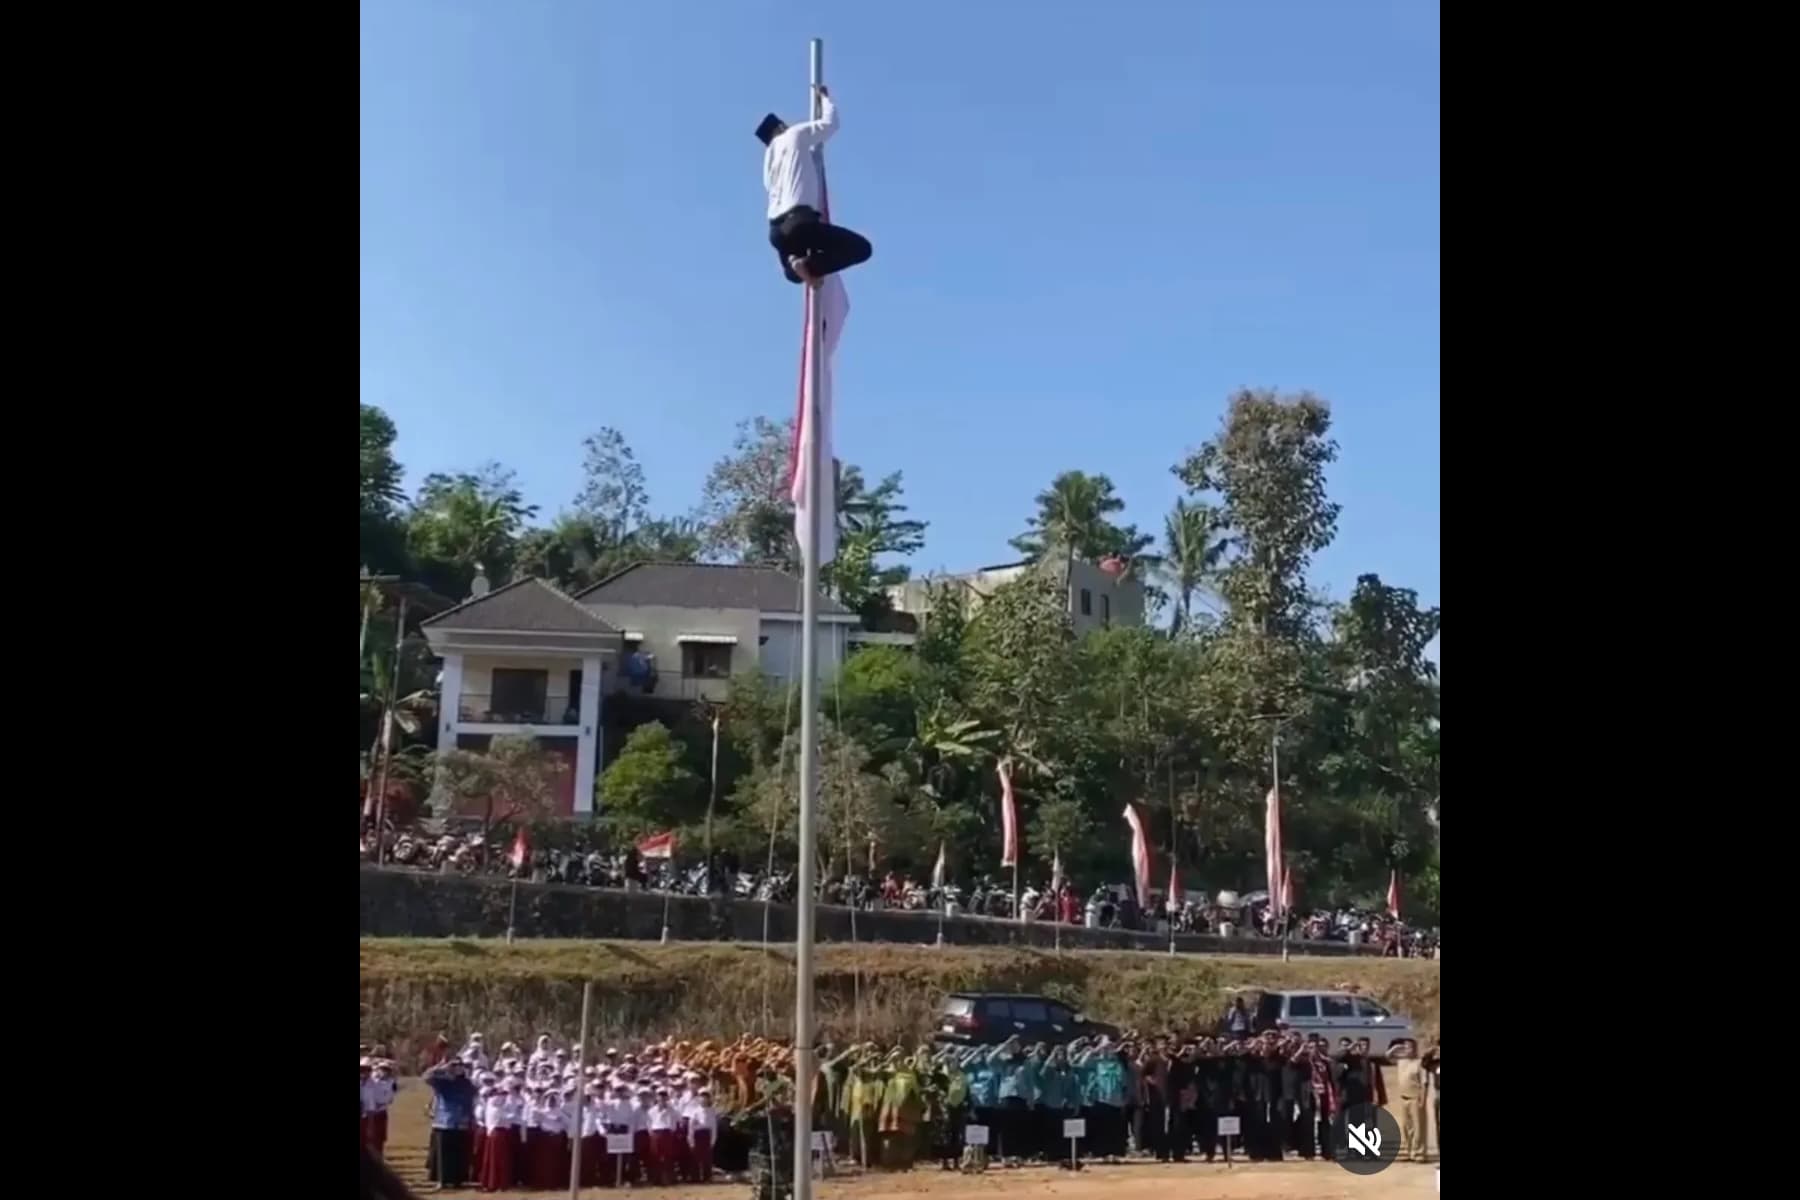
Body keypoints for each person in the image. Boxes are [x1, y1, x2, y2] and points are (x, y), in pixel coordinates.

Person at [756, 88, 873, 286]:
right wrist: (825, 100)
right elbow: (830, 124)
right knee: (860, 248)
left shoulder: (768, 161)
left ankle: (796, 266)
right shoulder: (795, 134)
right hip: (800, 221)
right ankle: (809, 267)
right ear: (780, 127)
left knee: (793, 274)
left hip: (776, 231)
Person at [423, 1057, 477, 1190]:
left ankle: (457, 1180)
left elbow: (471, 1101)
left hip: (461, 1121)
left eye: (459, 1065)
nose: (457, 1067)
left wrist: (471, 1118)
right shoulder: (443, 1082)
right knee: (443, 1155)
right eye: (454, 1065)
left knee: (458, 1153)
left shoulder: (467, 1083)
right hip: (444, 1121)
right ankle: (442, 1181)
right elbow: (426, 1077)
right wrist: (442, 1067)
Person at [1388, 1038, 1429, 1163]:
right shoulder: (1401, 1061)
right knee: (1406, 1127)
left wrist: (1423, 1099)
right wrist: (1395, 1048)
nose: (1408, 1050)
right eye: (1405, 1047)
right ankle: (1409, 1151)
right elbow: (1388, 1056)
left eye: (1410, 1047)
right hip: (1403, 1098)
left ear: (1415, 1049)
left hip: (1416, 1098)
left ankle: (1420, 1153)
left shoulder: (1419, 1063)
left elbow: (1425, 1083)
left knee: (1419, 1127)